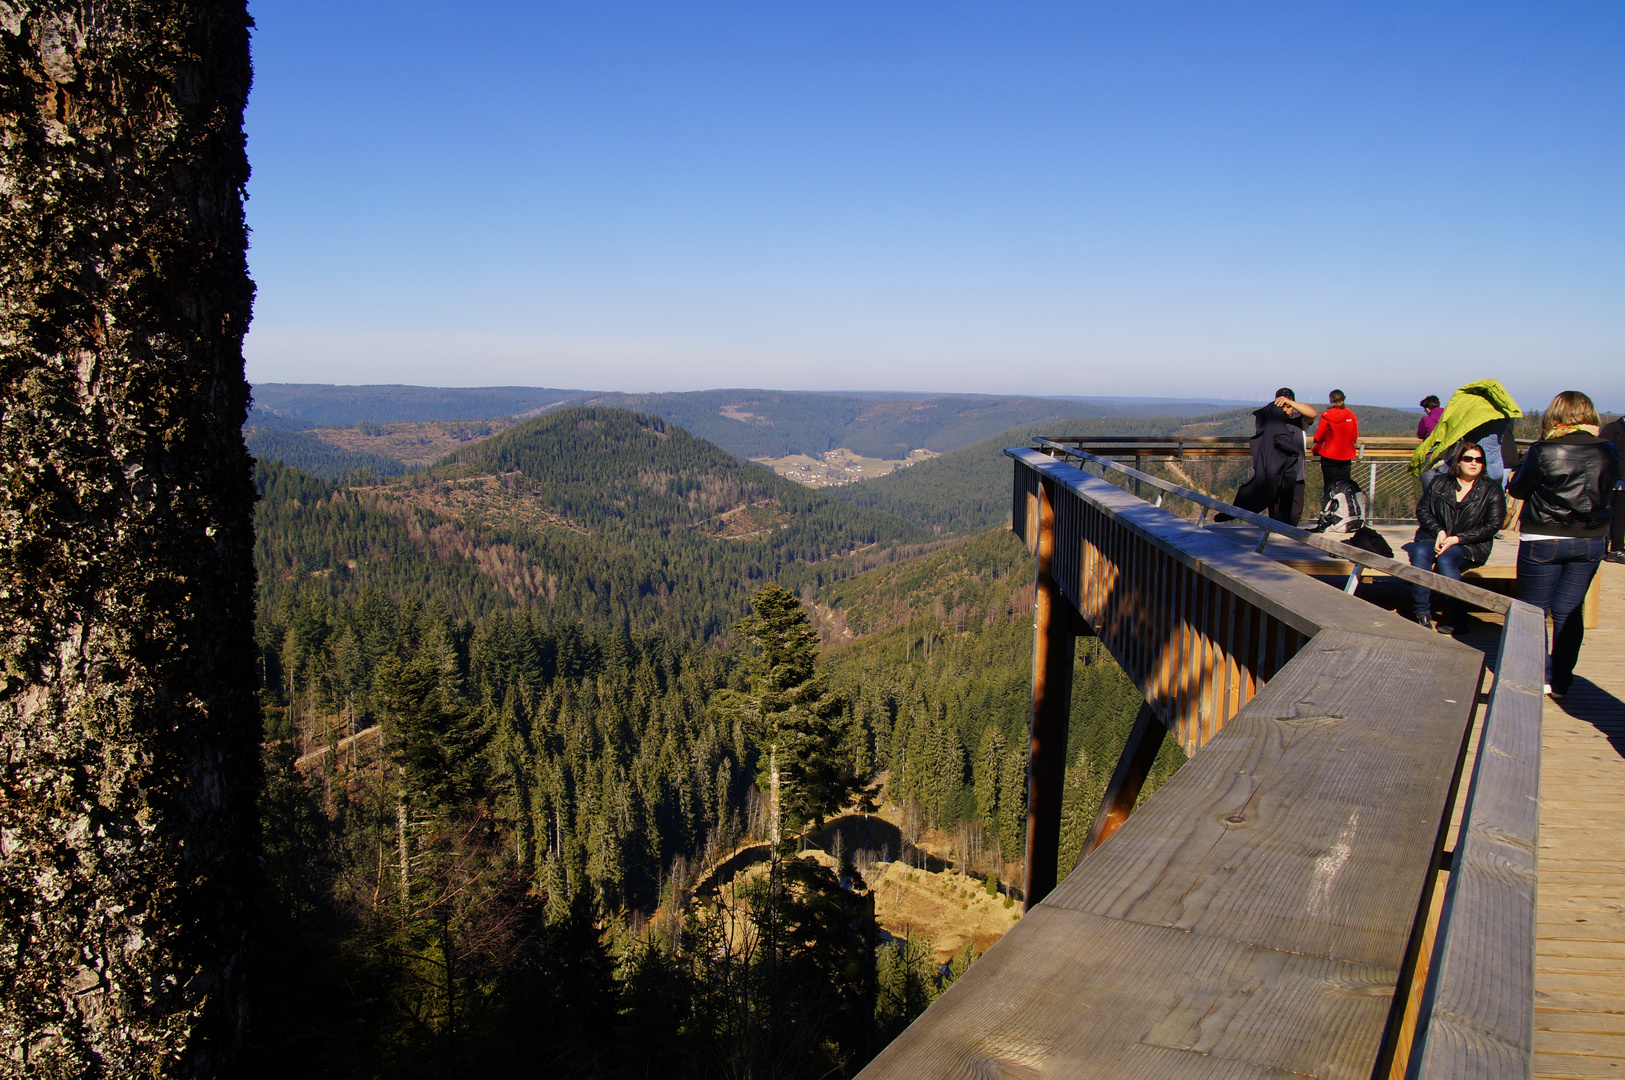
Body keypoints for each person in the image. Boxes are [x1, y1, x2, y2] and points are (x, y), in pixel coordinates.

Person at [1508, 391, 1620, 699]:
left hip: (1544, 537)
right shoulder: (1609, 450)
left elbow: (1519, 489)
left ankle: (1536, 677)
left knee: (1534, 611)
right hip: (1591, 538)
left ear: (1556, 415)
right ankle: (1561, 682)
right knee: (1569, 611)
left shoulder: (1544, 449)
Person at [1407, 441, 1505, 635]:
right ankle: (1421, 611)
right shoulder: (1440, 482)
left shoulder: (1492, 488)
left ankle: (1459, 618)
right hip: (1435, 537)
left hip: (1471, 544)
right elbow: (1423, 510)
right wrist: (1439, 531)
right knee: (1419, 552)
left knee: (1446, 560)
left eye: (1479, 460)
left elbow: (1492, 525)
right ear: (1457, 462)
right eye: (1468, 459)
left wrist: (1457, 539)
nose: (1474, 463)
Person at [1411, 379, 1522, 492]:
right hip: (1497, 468)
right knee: (1495, 500)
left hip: (1475, 471)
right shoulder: (1504, 416)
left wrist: (1436, 459)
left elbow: (1450, 437)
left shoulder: (1472, 418)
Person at [1231, 389, 1318, 525]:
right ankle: (1277, 543)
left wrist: (1290, 403)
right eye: (1282, 406)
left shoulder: (1299, 422)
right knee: (1277, 519)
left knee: (1294, 515)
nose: (1285, 410)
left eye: (1288, 407)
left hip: (1297, 477)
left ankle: (1288, 543)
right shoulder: (1270, 423)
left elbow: (1313, 413)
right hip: (1276, 479)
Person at [1313, 389, 1359, 489]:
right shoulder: (1351, 416)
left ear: (1331, 400)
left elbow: (1318, 437)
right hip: (1346, 455)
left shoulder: (1327, 416)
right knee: (1345, 487)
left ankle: (1328, 504)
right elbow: (1354, 438)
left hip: (1329, 455)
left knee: (1329, 487)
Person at [1601, 412, 1625, 565]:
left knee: (1620, 516)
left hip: (1623, 480)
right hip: (1609, 479)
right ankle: (1602, 548)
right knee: (1605, 514)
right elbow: (1602, 452)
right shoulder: (1612, 429)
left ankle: (1617, 549)